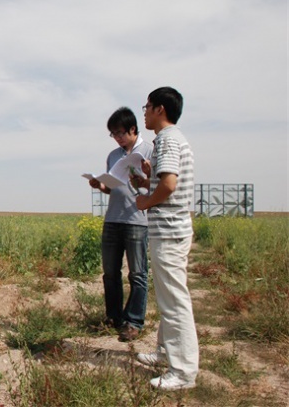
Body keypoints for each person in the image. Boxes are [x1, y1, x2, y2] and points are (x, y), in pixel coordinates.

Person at [132, 87, 198, 391]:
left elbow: (169, 185)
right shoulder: (170, 141)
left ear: (159, 109)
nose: (144, 112)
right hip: (170, 229)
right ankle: (163, 352)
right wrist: (149, 177)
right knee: (167, 295)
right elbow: (165, 179)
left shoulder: (169, 140)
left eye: (146, 107)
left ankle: (183, 372)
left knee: (174, 301)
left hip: (170, 230)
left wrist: (146, 199)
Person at [88, 107, 153, 342]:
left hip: (137, 219)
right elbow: (113, 187)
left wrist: (145, 178)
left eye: (119, 133)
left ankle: (134, 321)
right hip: (113, 218)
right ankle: (114, 318)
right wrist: (100, 186)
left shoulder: (150, 151)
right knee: (110, 273)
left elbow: (157, 186)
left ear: (133, 129)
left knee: (137, 274)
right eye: (113, 134)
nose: (116, 138)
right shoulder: (113, 155)